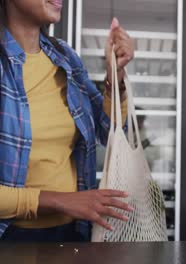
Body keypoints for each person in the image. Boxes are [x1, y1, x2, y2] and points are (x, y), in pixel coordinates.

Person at [0, 0, 135, 242]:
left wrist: (115, 78)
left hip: (73, 231)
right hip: (11, 237)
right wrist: (61, 201)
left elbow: (109, 130)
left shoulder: (64, 56)